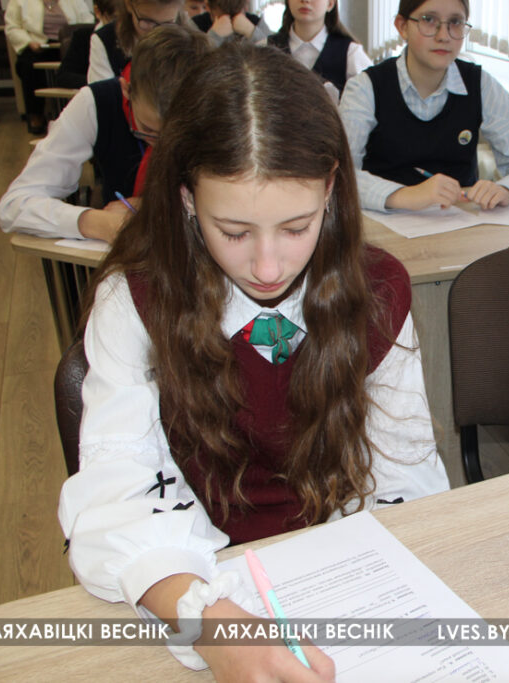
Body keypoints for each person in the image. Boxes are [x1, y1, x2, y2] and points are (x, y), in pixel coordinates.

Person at [57, 43, 449, 677]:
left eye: (296, 227)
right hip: (197, 578)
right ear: (187, 198)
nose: (268, 266)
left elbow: (404, 473)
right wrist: (209, 620)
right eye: (234, 232)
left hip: (338, 565)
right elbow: (119, 492)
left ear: (331, 189)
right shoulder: (136, 300)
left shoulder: (378, 291)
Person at [339, 0, 509, 213]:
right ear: (402, 26)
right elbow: (339, 174)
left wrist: (508, 189)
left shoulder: (480, 84)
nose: (443, 36)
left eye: (455, 22)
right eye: (429, 20)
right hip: (384, 225)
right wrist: (405, 195)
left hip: (459, 223)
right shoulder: (364, 88)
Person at [0, 25, 210, 242]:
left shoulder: (219, 109)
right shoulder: (96, 102)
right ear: (126, 90)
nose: (160, 146)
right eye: (148, 130)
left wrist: (157, 206)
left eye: (177, 135)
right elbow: (13, 206)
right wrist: (95, 222)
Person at [4, 0, 95, 133]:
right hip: (38, 45)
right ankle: (36, 114)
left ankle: (82, 114)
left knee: (80, 63)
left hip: (67, 44)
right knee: (28, 64)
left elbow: (87, 21)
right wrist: (29, 42)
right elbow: (13, 27)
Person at [266, 0, 370, 96]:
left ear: (330, 4)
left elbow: (369, 96)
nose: (305, 1)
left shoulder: (350, 52)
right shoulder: (266, 48)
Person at [87, 0, 186, 82]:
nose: (156, 32)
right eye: (147, 21)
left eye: (168, 23)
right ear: (129, 5)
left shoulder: (187, 39)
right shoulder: (105, 40)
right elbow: (103, 94)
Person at [55, 0, 116, 89]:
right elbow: (63, 77)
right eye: (114, 18)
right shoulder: (83, 37)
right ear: (98, 12)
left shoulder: (133, 38)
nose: (119, 25)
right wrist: (96, 81)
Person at [190, 0, 270, 46]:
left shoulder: (256, 23)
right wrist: (214, 37)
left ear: (246, 5)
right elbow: (190, 63)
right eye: (222, 17)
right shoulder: (195, 26)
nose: (230, 21)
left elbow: (274, 56)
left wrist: (252, 32)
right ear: (208, 7)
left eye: (236, 15)